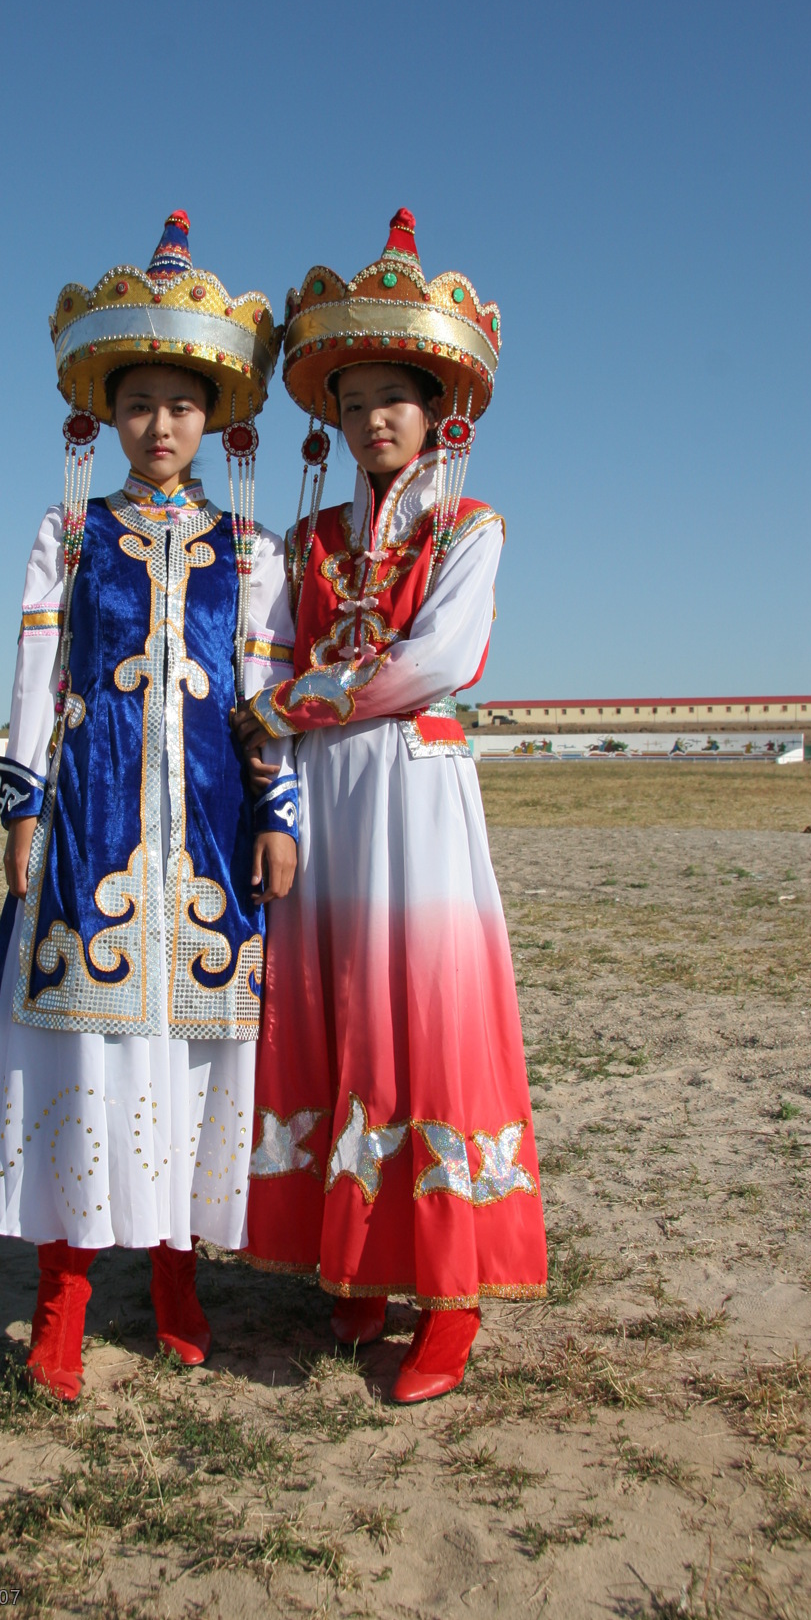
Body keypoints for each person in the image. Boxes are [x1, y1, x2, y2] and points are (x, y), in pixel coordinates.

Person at [0, 211, 298, 1401]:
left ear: (216, 420)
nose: (162, 427)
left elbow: (262, 693)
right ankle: (62, 1294)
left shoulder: (249, 550)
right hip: (95, 826)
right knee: (85, 1057)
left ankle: (176, 1275)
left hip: (206, 833)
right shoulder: (70, 532)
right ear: (107, 414)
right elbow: (33, 680)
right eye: (141, 404)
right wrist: (21, 803)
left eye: (184, 407)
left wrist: (279, 813)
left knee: (193, 1063)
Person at [234, 209, 546, 1403]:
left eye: (394, 399)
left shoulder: (473, 528)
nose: (373, 418)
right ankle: (354, 1270)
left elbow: (438, 659)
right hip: (321, 804)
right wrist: (278, 717)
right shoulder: (300, 541)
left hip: (415, 792)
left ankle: (451, 1293)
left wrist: (299, 699)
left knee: (427, 1021)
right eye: (354, 399)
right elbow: (259, 657)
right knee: (325, 1012)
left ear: (439, 413)